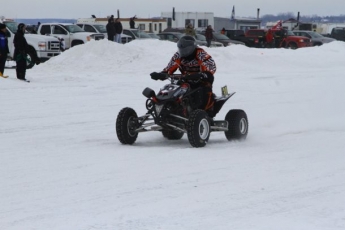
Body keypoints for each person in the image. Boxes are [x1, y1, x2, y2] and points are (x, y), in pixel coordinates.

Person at [150, 35, 216, 115]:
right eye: (181, 49)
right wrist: (161, 74)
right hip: (185, 79)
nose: (183, 51)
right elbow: (170, 68)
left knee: (204, 90)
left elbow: (210, 66)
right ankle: (169, 109)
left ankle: (207, 112)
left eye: (186, 49)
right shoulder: (178, 55)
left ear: (193, 47)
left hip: (201, 80)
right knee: (173, 91)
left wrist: (202, 74)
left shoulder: (201, 53)